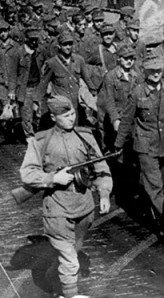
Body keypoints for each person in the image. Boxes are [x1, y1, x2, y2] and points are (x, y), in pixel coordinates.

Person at [20, 95, 113, 298]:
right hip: (57, 207)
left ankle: (54, 279)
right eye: (66, 115)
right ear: (53, 117)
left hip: (84, 206)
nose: (72, 118)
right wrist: (53, 178)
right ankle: (70, 295)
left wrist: (104, 193)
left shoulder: (86, 137)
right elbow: (27, 174)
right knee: (70, 258)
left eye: (73, 114)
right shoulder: (41, 141)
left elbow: (101, 168)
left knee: (72, 251)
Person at [114, 54, 164, 237]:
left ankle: (158, 219)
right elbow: (127, 121)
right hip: (145, 146)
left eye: (159, 70)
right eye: (152, 71)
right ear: (145, 72)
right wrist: (118, 144)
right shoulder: (137, 93)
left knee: (159, 185)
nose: (156, 74)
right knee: (154, 186)